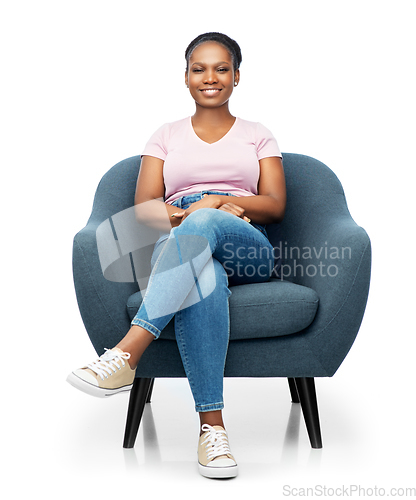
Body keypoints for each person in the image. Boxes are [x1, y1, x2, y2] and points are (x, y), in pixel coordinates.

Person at [67, 32, 286, 479]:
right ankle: (213, 430)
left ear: (237, 76)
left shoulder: (258, 135)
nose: (211, 78)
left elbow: (275, 204)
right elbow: (144, 211)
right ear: (185, 77)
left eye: (221, 69)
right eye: (199, 69)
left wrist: (213, 205)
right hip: (183, 241)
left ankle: (128, 353)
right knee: (203, 280)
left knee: (204, 224)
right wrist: (193, 213)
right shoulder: (165, 135)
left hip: (248, 243)